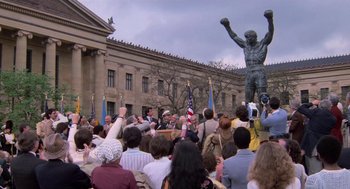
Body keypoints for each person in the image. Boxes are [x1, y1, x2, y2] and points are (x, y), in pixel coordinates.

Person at [220, 10, 274, 103]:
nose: (246, 39)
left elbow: (270, 32)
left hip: (259, 71)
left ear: (254, 37)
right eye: (246, 37)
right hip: (249, 72)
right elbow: (234, 37)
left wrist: (269, 19)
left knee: (263, 97)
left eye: (248, 37)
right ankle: (248, 116)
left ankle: (263, 116)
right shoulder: (245, 46)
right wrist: (227, 26)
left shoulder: (263, 44)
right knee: (248, 98)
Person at [298, 99, 336, 175]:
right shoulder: (333, 119)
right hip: (324, 145)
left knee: (312, 171)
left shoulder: (316, 112)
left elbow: (301, 108)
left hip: (311, 144)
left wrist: (311, 103)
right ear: (330, 107)